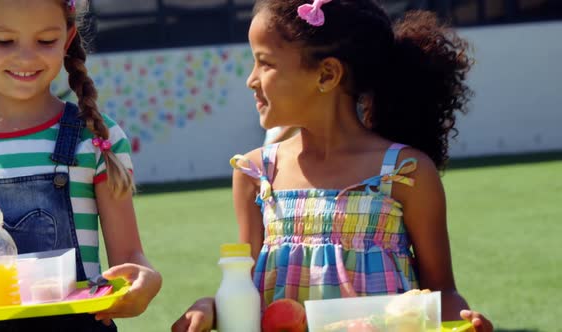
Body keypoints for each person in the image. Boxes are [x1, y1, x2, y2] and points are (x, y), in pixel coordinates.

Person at [172, 0, 493, 331]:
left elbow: (442, 292)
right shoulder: (255, 174)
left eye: (265, 64)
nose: (251, 80)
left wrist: (463, 322)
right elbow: (246, 292)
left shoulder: (406, 172)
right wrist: (210, 306)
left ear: (327, 74)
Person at [0, 0, 161, 330]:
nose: (27, 57)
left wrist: (146, 281)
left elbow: (130, 257)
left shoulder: (96, 137)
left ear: (68, 38)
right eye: (4, 41)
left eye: (45, 41)